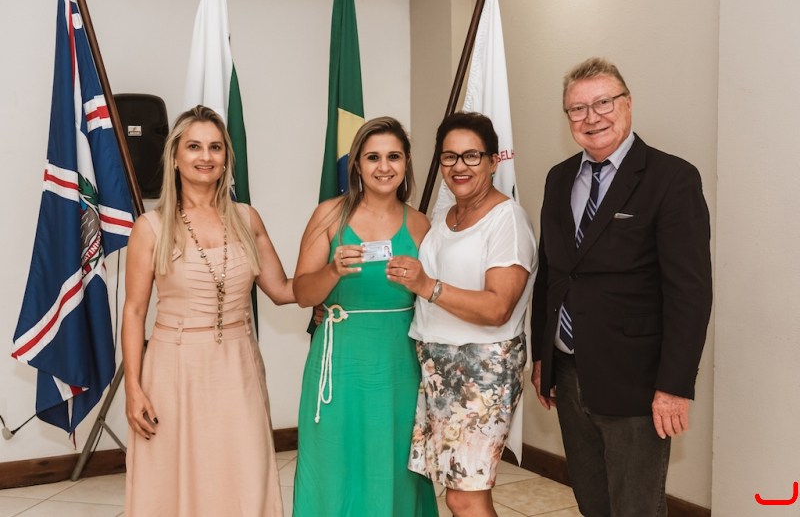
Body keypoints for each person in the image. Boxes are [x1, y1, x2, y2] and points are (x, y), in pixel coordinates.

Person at [530, 57, 713, 517]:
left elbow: (690, 292)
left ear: (627, 104)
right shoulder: (558, 178)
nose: (591, 117)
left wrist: (674, 386)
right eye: (577, 109)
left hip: (636, 379)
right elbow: (551, 273)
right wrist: (542, 356)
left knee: (636, 507)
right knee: (593, 502)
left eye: (603, 103)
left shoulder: (672, 178)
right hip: (568, 372)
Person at [122, 105, 294, 517]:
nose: (206, 156)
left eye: (216, 147)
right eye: (194, 146)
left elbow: (283, 290)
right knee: (174, 474)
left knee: (244, 470)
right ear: (175, 157)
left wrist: (332, 276)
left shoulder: (247, 218)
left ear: (226, 157)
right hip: (174, 368)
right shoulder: (150, 227)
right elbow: (134, 311)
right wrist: (133, 388)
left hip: (238, 364)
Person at [387, 112, 537, 517]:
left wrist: (429, 286)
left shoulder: (507, 220)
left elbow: (498, 307)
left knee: (464, 497)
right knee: (457, 492)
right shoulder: (445, 217)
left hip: (480, 370)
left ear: (493, 161)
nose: (459, 166)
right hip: (437, 367)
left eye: (472, 156)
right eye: (449, 157)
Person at [292, 117, 438, 516]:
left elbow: (433, 296)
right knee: (333, 463)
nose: (384, 167)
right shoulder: (328, 216)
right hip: (340, 360)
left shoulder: (421, 224)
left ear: (407, 162)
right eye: (373, 157)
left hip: (399, 363)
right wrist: (332, 271)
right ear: (356, 163)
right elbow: (303, 294)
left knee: (393, 464)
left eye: (394, 156)